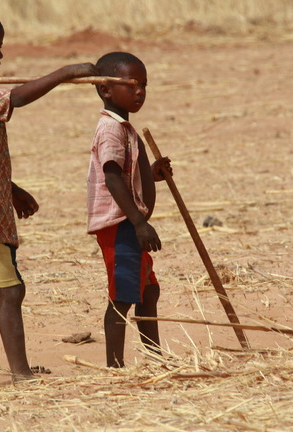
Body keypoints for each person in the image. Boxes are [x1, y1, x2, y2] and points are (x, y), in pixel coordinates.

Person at [0, 7, 98, 388]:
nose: (2, 57)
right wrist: (65, 73)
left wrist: (11, 190)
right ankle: (18, 373)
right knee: (9, 290)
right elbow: (18, 99)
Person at [87, 52, 171, 368]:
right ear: (106, 89)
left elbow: (125, 174)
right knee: (122, 295)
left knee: (148, 292)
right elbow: (111, 177)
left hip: (129, 222)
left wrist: (150, 174)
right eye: (132, 85)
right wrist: (138, 222)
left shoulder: (125, 127)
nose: (140, 92)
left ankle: (154, 356)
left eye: (144, 86)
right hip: (121, 223)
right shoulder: (110, 128)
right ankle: (115, 366)